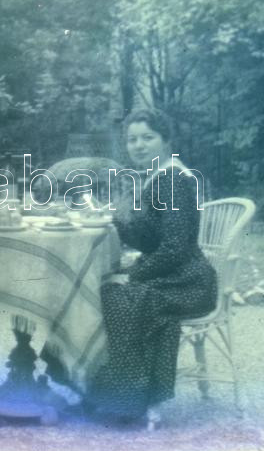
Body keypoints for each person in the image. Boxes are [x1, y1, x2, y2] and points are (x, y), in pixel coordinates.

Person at [85, 108, 217, 428]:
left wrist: (134, 274)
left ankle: (130, 398)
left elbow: (175, 248)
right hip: (172, 274)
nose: (139, 145)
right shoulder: (157, 177)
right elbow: (149, 240)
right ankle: (123, 394)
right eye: (132, 140)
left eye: (148, 137)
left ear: (165, 140)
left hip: (189, 281)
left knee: (117, 297)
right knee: (112, 292)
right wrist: (114, 219)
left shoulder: (173, 180)